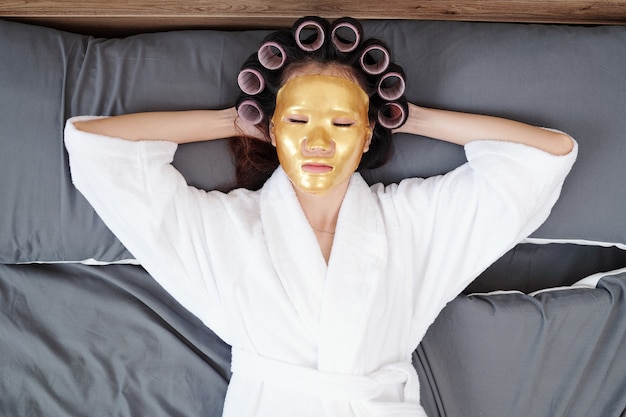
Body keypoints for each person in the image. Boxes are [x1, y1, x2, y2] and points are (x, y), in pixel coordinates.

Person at [64, 16, 576, 417]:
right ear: (272, 127)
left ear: (367, 135)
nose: (316, 141)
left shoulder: (413, 224)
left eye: (343, 121)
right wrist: (234, 119)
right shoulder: (224, 230)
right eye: (296, 120)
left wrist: (406, 115)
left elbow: (543, 156)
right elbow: (97, 149)